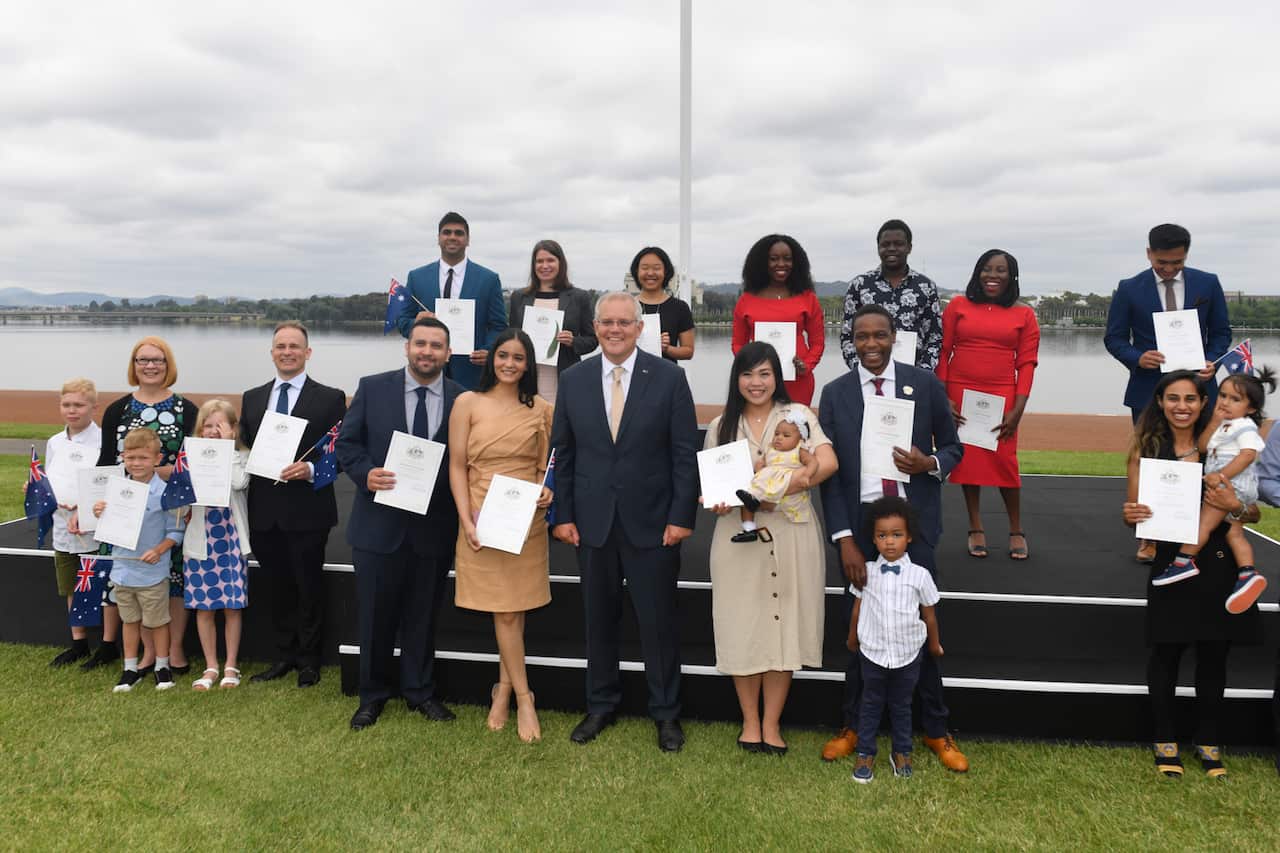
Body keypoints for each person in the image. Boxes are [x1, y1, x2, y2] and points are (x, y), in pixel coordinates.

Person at [818, 304, 969, 772]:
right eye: (861, 337)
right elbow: (832, 477)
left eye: (879, 335)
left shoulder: (923, 384)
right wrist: (844, 537)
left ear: (894, 337)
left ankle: (936, 730)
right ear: (851, 341)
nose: (871, 345)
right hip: (862, 524)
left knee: (917, 628)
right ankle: (852, 727)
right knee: (858, 630)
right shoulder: (836, 393)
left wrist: (929, 464)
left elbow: (954, 447)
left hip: (913, 520)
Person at [550, 291, 699, 752]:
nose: (615, 330)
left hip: (653, 524)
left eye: (624, 323)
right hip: (592, 524)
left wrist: (680, 516)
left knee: (657, 623)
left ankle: (666, 714)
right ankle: (600, 705)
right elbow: (564, 453)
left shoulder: (669, 379)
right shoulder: (573, 380)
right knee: (598, 620)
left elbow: (682, 455)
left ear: (640, 328)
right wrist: (564, 515)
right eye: (607, 322)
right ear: (595, 328)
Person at [1121, 370, 1262, 778]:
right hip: (1172, 560)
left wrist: (1235, 503)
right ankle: (1165, 740)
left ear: (1204, 403)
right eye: (1172, 398)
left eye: (1190, 398)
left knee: (1215, 655)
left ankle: (1209, 740)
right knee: (1166, 653)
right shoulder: (1146, 450)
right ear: (1160, 402)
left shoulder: (1226, 441)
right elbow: (1134, 515)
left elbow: (1250, 511)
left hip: (1220, 560)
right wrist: (1131, 516)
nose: (1181, 406)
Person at [703, 342, 837, 754]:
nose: (756, 382)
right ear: (735, 379)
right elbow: (712, 490)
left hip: (791, 531)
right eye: (747, 374)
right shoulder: (721, 425)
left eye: (764, 373)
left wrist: (790, 484)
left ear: (777, 376)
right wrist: (719, 500)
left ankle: (772, 723)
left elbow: (828, 463)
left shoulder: (799, 416)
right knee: (742, 623)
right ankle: (749, 722)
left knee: (784, 624)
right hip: (736, 536)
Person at [337, 317, 463, 730]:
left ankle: (420, 692)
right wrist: (365, 474)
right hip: (378, 526)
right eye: (420, 344)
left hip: (434, 528)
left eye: (436, 346)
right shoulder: (373, 388)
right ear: (407, 347)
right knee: (374, 617)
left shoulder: (464, 399)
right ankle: (371, 696)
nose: (427, 352)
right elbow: (347, 445)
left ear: (448, 353)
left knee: (423, 615)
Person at [448, 329, 554, 742]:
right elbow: (457, 466)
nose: (510, 363)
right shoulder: (467, 403)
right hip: (480, 518)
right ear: (492, 358)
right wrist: (466, 521)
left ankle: (506, 689)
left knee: (514, 609)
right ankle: (523, 696)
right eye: (503, 355)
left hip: (526, 522)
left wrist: (549, 489)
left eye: (519, 357)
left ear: (529, 364)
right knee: (505, 612)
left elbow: (549, 465)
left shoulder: (542, 409)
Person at [240, 322, 347, 688]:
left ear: (307, 352)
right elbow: (244, 450)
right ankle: (283, 656)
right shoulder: (252, 398)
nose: (287, 352)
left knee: (308, 587)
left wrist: (313, 469)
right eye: (280, 346)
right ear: (272, 352)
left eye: (295, 346)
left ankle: (309, 661)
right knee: (277, 587)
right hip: (264, 510)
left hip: (307, 510)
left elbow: (342, 451)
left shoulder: (330, 398)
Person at [90, 336, 194, 674]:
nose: (150, 366)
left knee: (172, 581)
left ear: (169, 365)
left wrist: (156, 472)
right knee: (133, 583)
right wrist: (92, 506)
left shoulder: (185, 410)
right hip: (123, 513)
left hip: (169, 511)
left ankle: (174, 650)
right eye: (142, 360)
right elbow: (105, 464)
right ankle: (148, 654)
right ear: (134, 366)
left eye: (158, 360)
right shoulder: (117, 410)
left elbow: (190, 466)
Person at [937, 249, 1040, 560]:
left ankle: (1016, 529)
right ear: (977, 272)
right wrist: (944, 397)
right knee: (968, 461)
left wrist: (1018, 408)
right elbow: (943, 352)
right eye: (987, 269)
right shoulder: (957, 305)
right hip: (960, 393)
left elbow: (1027, 363)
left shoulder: (1024, 314)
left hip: (1002, 395)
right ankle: (975, 526)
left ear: (1012, 277)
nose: (993, 275)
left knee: (1005, 461)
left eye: (1001, 270)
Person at [1151, 370, 1273, 616]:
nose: (1225, 403)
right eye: (1223, 396)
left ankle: (1183, 562)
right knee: (1235, 533)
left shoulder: (1246, 427)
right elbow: (1204, 446)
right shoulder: (1225, 426)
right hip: (1231, 485)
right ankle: (1247, 572)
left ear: (1251, 408)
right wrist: (1215, 423)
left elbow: (1248, 455)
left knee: (1203, 525)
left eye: (1235, 399)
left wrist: (1222, 477)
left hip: (1231, 485)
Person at [847, 497, 943, 784]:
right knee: (871, 703)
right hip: (873, 652)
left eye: (897, 535)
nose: (890, 542)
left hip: (907, 653)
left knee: (902, 705)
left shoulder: (920, 575)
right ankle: (865, 753)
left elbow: (930, 615)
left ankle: (902, 752)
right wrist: (853, 638)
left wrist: (934, 644)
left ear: (909, 537)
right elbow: (857, 608)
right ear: (874, 540)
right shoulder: (866, 571)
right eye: (882, 535)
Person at [1104, 223, 1231, 423]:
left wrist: (1212, 361)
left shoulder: (1208, 283)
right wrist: (1138, 358)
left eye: (1177, 262)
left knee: (1201, 453)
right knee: (1150, 453)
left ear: (1186, 255)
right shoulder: (1128, 288)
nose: (1169, 269)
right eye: (1161, 262)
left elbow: (1221, 333)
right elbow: (1114, 338)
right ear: (1149, 253)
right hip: (1148, 391)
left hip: (1200, 389)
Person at [92, 429, 186, 692]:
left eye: (143, 458)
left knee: (157, 621)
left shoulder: (165, 493)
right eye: (130, 457)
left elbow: (176, 532)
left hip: (152, 571)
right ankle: (130, 668)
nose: (136, 463)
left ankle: (162, 667)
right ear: (123, 457)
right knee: (129, 621)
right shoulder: (116, 491)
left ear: (157, 459)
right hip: (122, 569)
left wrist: (159, 549)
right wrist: (97, 511)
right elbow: (102, 523)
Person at [182, 400, 251, 691]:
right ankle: (211, 665)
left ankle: (231, 665)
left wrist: (227, 448)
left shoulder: (243, 457)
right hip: (201, 540)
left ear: (233, 429)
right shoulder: (189, 456)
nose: (212, 431)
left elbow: (238, 483)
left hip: (231, 540)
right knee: (204, 607)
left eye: (220, 426)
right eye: (207, 426)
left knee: (232, 607)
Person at [398, 211, 507, 391]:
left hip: (471, 373)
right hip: (425, 370)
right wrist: (415, 322)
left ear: (468, 240)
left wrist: (489, 350)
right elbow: (402, 321)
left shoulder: (488, 279)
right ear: (438, 238)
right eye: (447, 232)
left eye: (459, 233)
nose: (452, 237)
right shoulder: (417, 277)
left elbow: (498, 325)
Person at [41, 378, 102, 667]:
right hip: (62, 524)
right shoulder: (55, 441)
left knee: (92, 582)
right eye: (67, 404)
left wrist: (84, 506)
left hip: (91, 526)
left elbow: (105, 483)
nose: (72, 410)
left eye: (79, 404)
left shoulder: (103, 440)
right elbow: (51, 478)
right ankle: (78, 643)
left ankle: (106, 643)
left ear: (93, 405)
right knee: (69, 585)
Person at [731, 235, 825, 405]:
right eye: (773, 259)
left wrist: (806, 365)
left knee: (793, 429)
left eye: (787, 259)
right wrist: (750, 367)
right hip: (757, 382)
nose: (781, 264)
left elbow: (817, 343)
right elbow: (738, 344)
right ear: (761, 262)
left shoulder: (808, 298)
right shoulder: (746, 300)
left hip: (797, 380)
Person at [840, 219, 943, 371]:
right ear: (878, 248)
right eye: (885, 244)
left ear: (909, 247)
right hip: (868, 374)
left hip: (913, 376)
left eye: (898, 244)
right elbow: (847, 335)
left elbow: (935, 337)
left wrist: (922, 374)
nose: (892, 249)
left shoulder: (926, 287)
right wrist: (860, 371)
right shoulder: (859, 285)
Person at [506, 239, 597, 404]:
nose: (544, 265)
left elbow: (592, 340)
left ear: (560, 263)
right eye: (539, 261)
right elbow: (510, 336)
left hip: (564, 377)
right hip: (526, 377)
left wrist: (573, 341)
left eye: (550, 260)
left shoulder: (579, 297)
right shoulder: (519, 297)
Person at [731, 412, 820, 544]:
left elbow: (814, 462)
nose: (779, 438)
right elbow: (763, 461)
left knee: (756, 500)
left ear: (800, 439)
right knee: (747, 500)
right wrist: (760, 466)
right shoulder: (771, 449)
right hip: (767, 487)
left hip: (786, 490)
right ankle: (748, 528)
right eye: (776, 434)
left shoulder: (799, 451)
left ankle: (756, 503)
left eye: (786, 435)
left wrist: (806, 475)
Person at [631, 246, 695, 365]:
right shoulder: (627, 306)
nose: (650, 273)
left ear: (666, 272)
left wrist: (667, 348)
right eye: (645, 268)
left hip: (666, 376)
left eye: (657, 268)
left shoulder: (680, 308)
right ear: (636, 271)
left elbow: (688, 351)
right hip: (631, 376)